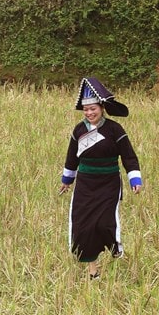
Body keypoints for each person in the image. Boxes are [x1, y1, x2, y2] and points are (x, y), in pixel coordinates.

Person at [59, 77, 142, 280]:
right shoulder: (78, 131)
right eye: (86, 110)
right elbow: (72, 158)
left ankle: (114, 249)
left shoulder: (115, 130)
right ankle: (92, 271)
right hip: (85, 184)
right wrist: (67, 180)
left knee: (104, 223)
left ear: (101, 108)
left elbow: (129, 156)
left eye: (93, 109)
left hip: (109, 183)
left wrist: (135, 179)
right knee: (84, 226)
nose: (89, 113)